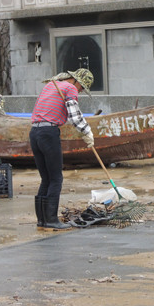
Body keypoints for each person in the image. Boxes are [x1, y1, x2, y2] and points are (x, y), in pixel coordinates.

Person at [30, 69, 95, 231]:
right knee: (56, 178)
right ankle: (51, 219)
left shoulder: (51, 85)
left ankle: (42, 220)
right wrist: (87, 132)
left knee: (46, 178)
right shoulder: (70, 88)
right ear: (76, 81)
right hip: (48, 133)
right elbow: (74, 115)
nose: (80, 91)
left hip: (34, 133)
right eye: (82, 87)